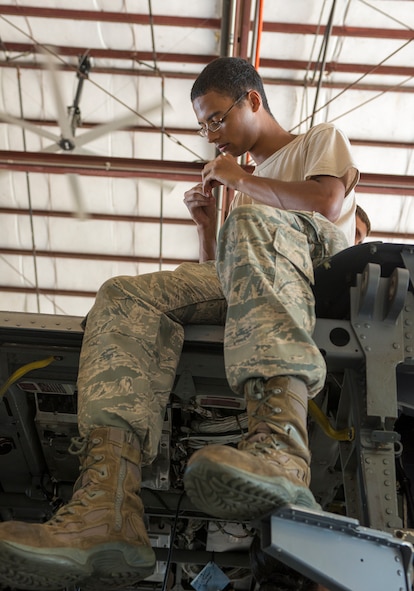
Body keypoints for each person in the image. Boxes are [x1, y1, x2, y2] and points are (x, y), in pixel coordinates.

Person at [0, 57, 359, 591]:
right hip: (258, 259)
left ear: (253, 101)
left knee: (254, 220)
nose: (211, 133)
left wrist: (242, 186)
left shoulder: (315, 142)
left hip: (318, 270)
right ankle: (107, 504)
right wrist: (208, 228)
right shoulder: (249, 194)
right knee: (124, 295)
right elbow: (227, 277)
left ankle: (280, 446)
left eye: (216, 118)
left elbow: (328, 204)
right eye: (204, 126)